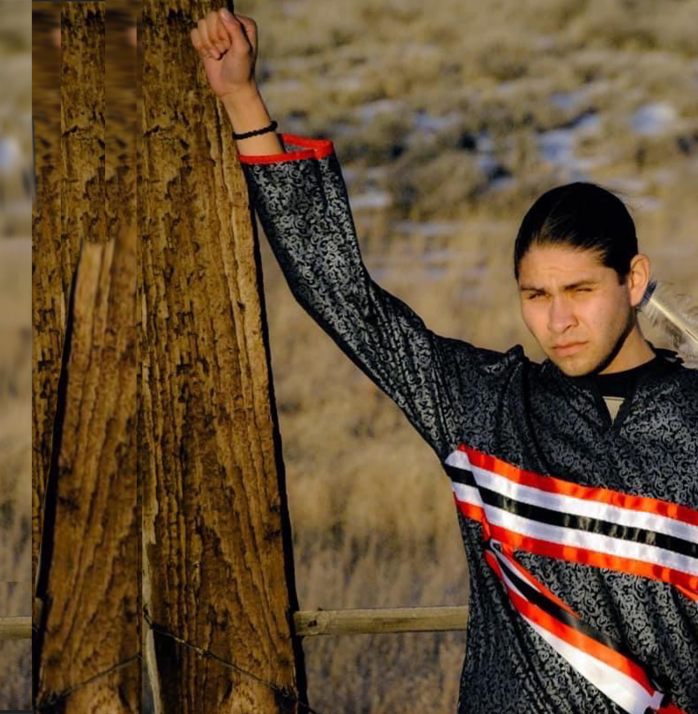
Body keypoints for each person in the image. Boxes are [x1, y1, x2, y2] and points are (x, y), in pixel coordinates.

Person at [191, 8, 698, 714]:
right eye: (536, 294)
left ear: (633, 280)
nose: (558, 320)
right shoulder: (483, 404)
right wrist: (243, 101)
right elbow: (346, 300)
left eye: (580, 291)